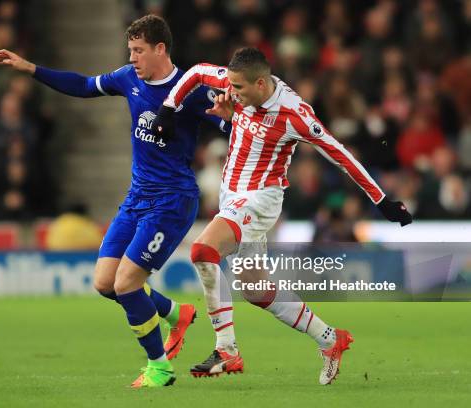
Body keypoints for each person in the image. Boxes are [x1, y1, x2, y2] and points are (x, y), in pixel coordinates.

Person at [0, 15, 231, 388]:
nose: (132, 58)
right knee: (105, 283)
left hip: (172, 201)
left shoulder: (191, 90)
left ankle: (160, 368)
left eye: (138, 51)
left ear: (160, 49)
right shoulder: (128, 78)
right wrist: (29, 67)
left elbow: (233, 126)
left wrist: (230, 119)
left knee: (127, 284)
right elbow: (84, 86)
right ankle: (173, 313)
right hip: (136, 198)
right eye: (129, 50)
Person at [153, 47, 412, 385]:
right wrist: (168, 109)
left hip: (259, 199)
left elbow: (341, 154)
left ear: (261, 83)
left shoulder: (295, 113)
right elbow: (197, 71)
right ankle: (330, 339)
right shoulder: (240, 89)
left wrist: (382, 200)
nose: (231, 92)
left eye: (239, 88)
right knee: (255, 290)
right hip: (232, 197)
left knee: (204, 251)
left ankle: (226, 348)